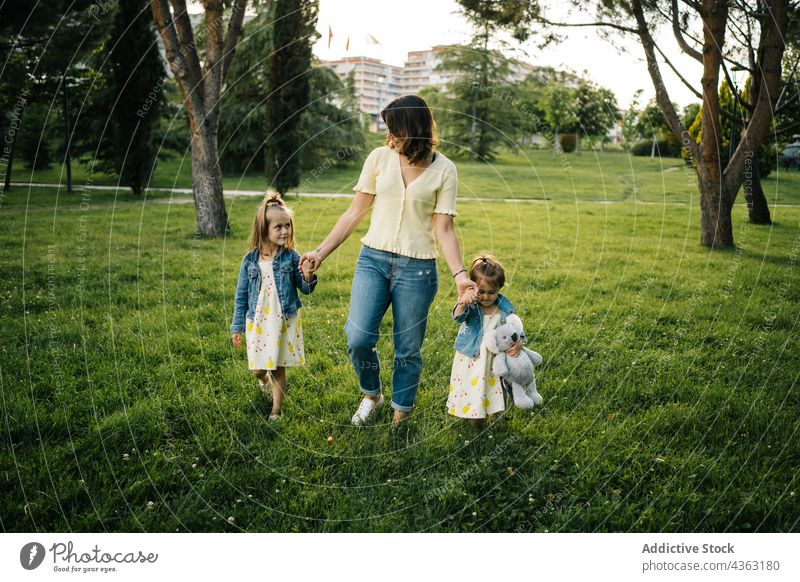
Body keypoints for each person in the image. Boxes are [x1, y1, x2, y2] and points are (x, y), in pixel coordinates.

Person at [300, 94, 477, 426]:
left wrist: (460, 274)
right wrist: (320, 252)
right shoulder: (379, 158)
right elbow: (355, 212)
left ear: (413, 128)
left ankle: (401, 412)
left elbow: (445, 228)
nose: (390, 136)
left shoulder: (445, 170)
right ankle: (372, 394)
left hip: (418, 269)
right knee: (358, 337)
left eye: (395, 128)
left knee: (407, 348)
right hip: (373, 261)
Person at [230, 192, 317, 420]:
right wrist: (236, 326)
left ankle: (276, 410)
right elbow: (240, 296)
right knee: (259, 368)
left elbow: (305, 289)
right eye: (278, 227)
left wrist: (308, 276)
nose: (285, 231)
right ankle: (262, 380)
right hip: (257, 321)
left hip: (282, 319)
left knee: (278, 366)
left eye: (287, 225)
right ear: (264, 230)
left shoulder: (291, 257)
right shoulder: (249, 261)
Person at [447, 254, 520, 427]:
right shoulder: (471, 305)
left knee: (496, 388)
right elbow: (457, 317)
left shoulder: (504, 310)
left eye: (491, 292)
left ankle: (496, 418)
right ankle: (476, 421)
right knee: (475, 389)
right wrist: (462, 302)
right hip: (473, 358)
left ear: (500, 289)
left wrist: (518, 343)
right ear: (472, 287)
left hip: (495, 360)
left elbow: (515, 329)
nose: (486, 296)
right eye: (481, 292)